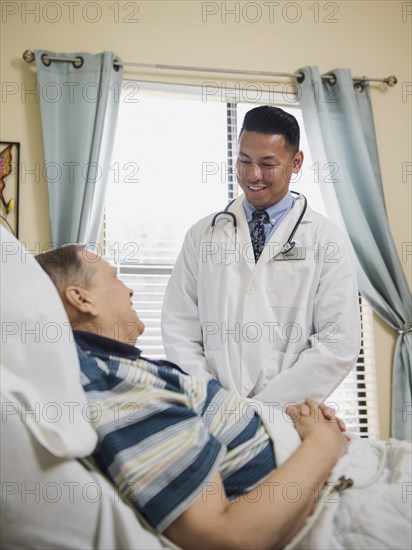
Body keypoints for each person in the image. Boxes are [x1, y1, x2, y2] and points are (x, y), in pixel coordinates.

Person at [36, 245, 411, 550]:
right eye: (116, 278)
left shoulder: (122, 370)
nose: (130, 289)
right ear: (81, 298)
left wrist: (293, 424)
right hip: (340, 497)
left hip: (346, 467)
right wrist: (322, 443)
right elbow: (227, 538)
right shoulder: (114, 385)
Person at [161, 105, 361, 407]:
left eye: (267, 164)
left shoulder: (325, 239)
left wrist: (263, 411)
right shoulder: (203, 235)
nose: (253, 175)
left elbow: (338, 342)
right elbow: (179, 326)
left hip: (287, 414)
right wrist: (215, 402)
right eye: (244, 161)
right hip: (213, 410)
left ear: (296, 163)